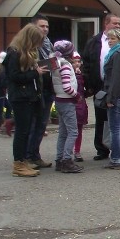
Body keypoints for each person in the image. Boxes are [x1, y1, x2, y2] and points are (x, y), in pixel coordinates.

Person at [83, 13, 120, 160]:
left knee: (116, 124)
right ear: (106, 24)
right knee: (101, 119)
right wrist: (90, 85)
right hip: (99, 85)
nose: (118, 26)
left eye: (119, 24)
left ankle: (117, 154)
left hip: (116, 88)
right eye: (115, 23)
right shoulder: (94, 42)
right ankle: (102, 149)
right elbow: (88, 63)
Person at [3, 24, 46, 178]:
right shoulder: (14, 53)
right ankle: (18, 164)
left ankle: (22, 161)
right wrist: (35, 73)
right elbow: (14, 77)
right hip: (20, 97)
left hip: (28, 96)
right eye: (35, 41)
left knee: (26, 129)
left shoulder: (23, 52)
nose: (36, 45)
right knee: (21, 132)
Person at [24, 15, 54, 169]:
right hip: (35, 89)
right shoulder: (28, 46)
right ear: (33, 27)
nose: (45, 29)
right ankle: (27, 157)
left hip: (48, 88)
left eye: (47, 26)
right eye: (42, 26)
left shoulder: (48, 44)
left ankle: (35, 155)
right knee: (33, 124)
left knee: (42, 125)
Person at [50, 40, 83, 173]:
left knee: (63, 132)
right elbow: (67, 87)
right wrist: (77, 96)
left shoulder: (55, 63)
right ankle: (67, 160)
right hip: (67, 101)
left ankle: (59, 159)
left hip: (59, 100)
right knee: (73, 131)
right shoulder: (65, 65)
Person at [102, 28, 120, 170]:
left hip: (117, 94)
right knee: (119, 128)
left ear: (119, 39)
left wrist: (110, 97)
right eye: (108, 39)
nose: (110, 41)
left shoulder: (118, 54)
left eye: (112, 38)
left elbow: (116, 78)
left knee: (115, 128)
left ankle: (115, 159)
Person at [71, 52, 88, 162]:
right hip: (72, 103)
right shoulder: (68, 73)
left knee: (79, 129)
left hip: (81, 103)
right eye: (74, 62)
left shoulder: (82, 74)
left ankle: (77, 150)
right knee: (70, 130)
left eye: (78, 62)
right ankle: (66, 152)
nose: (77, 64)